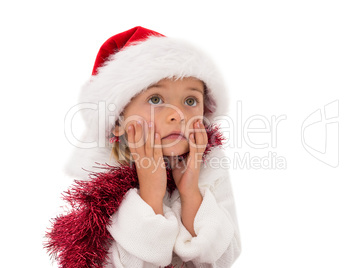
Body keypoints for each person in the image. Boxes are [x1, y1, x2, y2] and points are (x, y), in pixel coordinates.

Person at [46, 26, 241, 268]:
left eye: (190, 101)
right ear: (117, 121)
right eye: (155, 99)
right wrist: (151, 193)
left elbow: (223, 258)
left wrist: (190, 190)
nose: (178, 115)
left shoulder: (209, 165)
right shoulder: (104, 181)